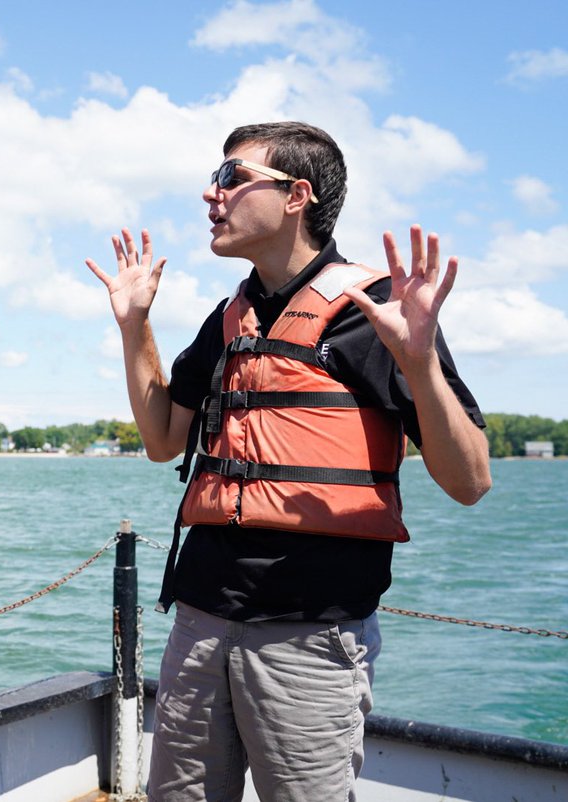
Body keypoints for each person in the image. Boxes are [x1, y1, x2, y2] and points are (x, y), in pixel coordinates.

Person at [86, 121, 492, 801]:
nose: (211, 194)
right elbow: (161, 440)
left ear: (297, 196)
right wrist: (135, 325)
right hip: (200, 619)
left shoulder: (376, 312)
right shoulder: (228, 318)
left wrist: (419, 363)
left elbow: (471, 480)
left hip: (311, 634)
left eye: (232, 177)